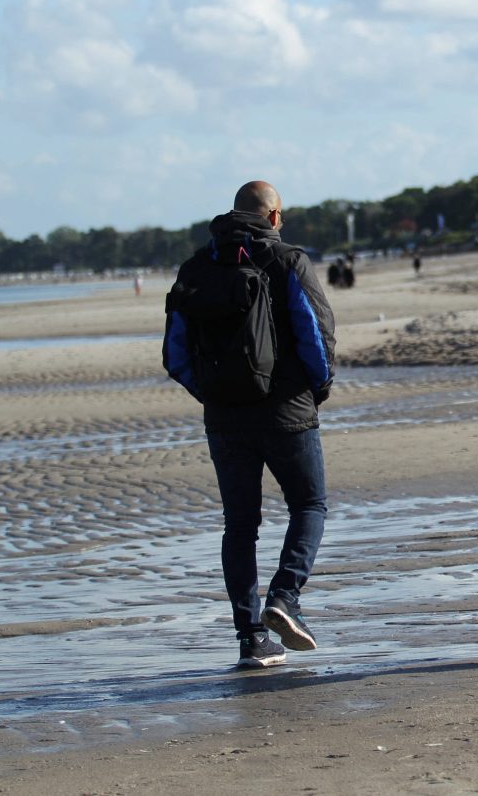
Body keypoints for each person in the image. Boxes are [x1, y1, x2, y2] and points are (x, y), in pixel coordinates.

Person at [164, 181, 336, 669]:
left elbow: (176, 355)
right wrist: (315, 392)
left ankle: (251, 638)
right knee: (310, 504)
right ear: (275, 217)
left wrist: (215, 396)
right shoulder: (287, 260)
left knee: (240, 526)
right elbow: (317, 340)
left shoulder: (196, 268)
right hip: (288, 412)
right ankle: (285, 596)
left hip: (224, 419)